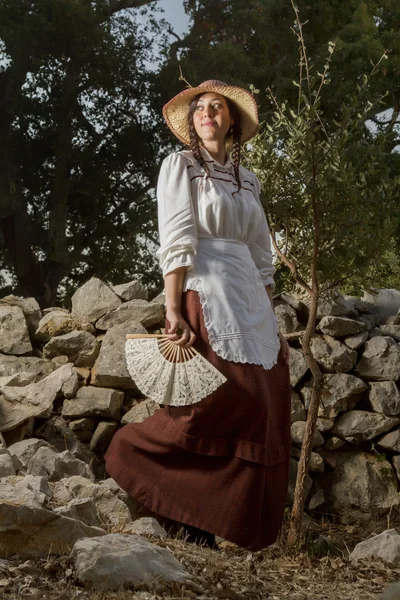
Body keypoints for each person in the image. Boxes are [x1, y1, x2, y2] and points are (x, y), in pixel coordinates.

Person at [105, 80, 292, 551]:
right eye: (200, 108)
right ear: (193, 122)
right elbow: (177, 238)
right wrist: (172, 308)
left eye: (217, 107)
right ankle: (164, 488)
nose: (208, 113)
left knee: (264, 406)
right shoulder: (181, 166)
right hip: (204, 288)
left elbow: (259, 253)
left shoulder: (249, 181)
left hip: (249, 295)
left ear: (232, 121)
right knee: (218, 402)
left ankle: (217, 520)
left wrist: (272, 319)